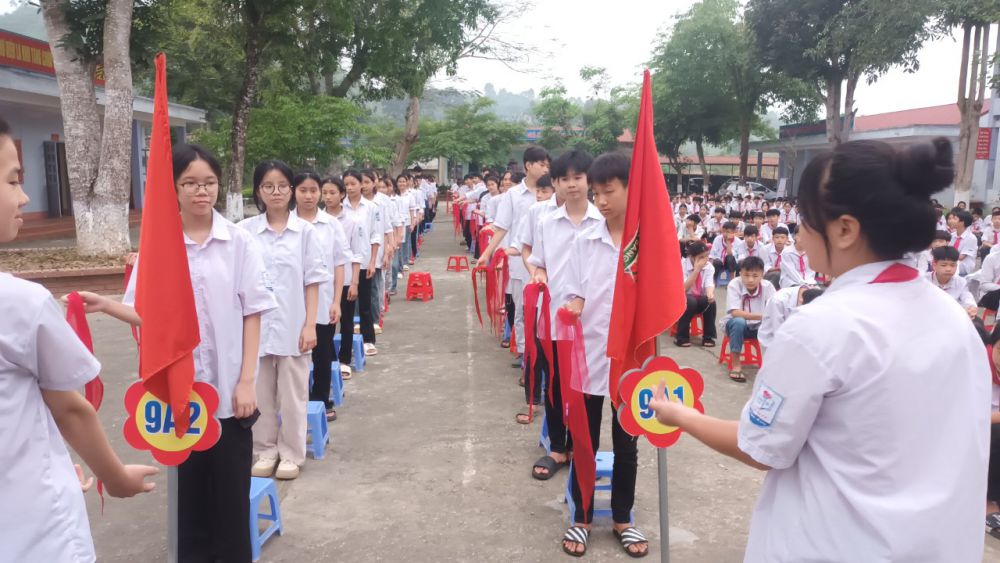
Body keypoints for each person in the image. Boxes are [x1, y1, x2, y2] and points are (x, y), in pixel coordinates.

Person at [648, 137, 989, 562]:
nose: (799, 236)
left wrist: (681, 415)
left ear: (844, 230)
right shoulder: (954, 319)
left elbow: (759, 446)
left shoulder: (820, 326)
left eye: (806, 221)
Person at [83, 143, 274, 561]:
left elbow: (254, 312)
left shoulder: (238, 243)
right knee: (189, 504)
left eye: (209, 182)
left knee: (230, 500)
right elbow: (145, 313)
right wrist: (105, 305)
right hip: (180, 398)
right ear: (174, 189)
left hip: (228, 394)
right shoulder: (160, 246)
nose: (201, 191)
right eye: (190, 183)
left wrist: (246, 381)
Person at [2, 117, 158, 562]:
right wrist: (116, 476)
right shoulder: (20, 303)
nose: (24, 196)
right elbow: (71, 409)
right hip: (33, 533)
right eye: (13, 180)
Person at [559, 151, 648, 557]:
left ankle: (622, 517)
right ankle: (581, 517)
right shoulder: (585, 240)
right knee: (585, 439)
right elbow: (573, 288)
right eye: (597, 193)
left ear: (631, 188)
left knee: (627, 440)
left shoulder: (645, 243)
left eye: (609, 191)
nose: (601, 201)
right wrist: (574, 303)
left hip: (630, 357)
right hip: (590, 352)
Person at [239, 160, 329, 481]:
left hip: (293, 324)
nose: (275, 192)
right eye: (268, 186)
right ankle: (265, 449)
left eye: (281, 186)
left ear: (291, 190)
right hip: (255, 327)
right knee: (260, 392)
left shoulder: (305, 232)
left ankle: (291, 452)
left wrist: (310, 325)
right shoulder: (244, 231)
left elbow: (313, 281)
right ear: (258, 191)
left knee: (293, 395)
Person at [527, 150, 602, 480]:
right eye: (564, 179)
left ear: (589, 181)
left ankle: (585, 449)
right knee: (556, 384)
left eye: (578, 178)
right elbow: (539, 262)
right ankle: (558, 447)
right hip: (555, 316)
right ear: (555, 183)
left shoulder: (603, 222)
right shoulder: (547, 223)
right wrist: (539, 275)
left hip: (594, 320)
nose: (572, 185)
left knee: (590, 388)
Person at [476, 146, 551, 366]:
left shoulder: (554, 191)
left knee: (544, 311)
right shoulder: (514, 195)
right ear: (528, 165)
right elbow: (502, 226)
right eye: (542, 164)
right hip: (520, 261)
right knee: (522, 311)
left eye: (548, 165)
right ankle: (526, 357)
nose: (546, 168)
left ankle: (542, 359)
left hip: (549, 263)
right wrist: (487, 253)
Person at [293, 172, 347, 421]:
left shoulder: (331, 224)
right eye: (303, 190)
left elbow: (339, 263)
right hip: (293, 301)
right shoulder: (288, 224)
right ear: (294, 192)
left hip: (324, 299)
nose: (308, 196)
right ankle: (298, 400)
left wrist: (336, 301)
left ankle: (321, 399)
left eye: (313, 190)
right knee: (294, 354)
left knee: (322, 352)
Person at [342, 170, 382, 356]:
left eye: (353, 183)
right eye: (346, 184)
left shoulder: (371, 207)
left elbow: (375, 235)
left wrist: (373, 261)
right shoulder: (340, 207)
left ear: (361, 184)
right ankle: (346, 343)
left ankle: (368, 339)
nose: (350, 188)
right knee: (345, 307)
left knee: (365, 303)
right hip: (344, 264)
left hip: (365, 261)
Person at [720, 256, 775, 382]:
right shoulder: (734, 284)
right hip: (735, 326)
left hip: (759, 327)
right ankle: (736, 365)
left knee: (775, 324)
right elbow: (735, 312)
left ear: (762, 275)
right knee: (739, 322)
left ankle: (772, 365)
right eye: (746, 275)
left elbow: (774, 309)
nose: (750, 280)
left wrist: (768, 318)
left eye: (755, 276)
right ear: (740, 273)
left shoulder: (768, 287)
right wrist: (762, 316)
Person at [676, 241, 717, 347]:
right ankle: (682, 337)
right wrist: (696, 270)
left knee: (710, 302)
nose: (705, 260)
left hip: (698, 300)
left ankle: (708, 337)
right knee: (690, 301)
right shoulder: (682, 265)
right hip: (682, 301)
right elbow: (684, 288)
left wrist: (710, 294)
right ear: (691, 257)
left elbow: (709, 283)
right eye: (701, 257)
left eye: (706, 256)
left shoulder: (709, 267)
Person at [757, 285, 823, 348]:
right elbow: (778, 333)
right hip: (771, 341)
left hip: (794, 339)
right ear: (801, 301)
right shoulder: (778, 301)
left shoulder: (816, 296)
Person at [927, 245, 978, 318]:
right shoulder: (924, 280)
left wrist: (971, 307)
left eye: (953, 265)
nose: (948, 269)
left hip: (952, 316)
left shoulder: (961, 282)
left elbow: (967, 297)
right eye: (944, 265)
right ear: (934, 265)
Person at [949, 208, 977, 275]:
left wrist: (945, 258)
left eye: (955, 219)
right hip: (951, 261)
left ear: (962, 222)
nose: (951, 221)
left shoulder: (971, 238)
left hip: (964, 265)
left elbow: (961, 257)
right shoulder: (952, 235)